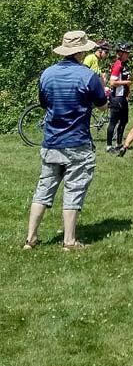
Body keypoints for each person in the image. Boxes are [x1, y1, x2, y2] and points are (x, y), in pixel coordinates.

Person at [23, 30, 108, 251]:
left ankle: (30, 239)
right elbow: (102, 105)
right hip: (78, 141)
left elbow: (44, 103)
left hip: (51, 140)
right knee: (74, 189)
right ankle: (69, 241)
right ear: (81, 51)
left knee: (43, 188)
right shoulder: (88, 76)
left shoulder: (47, 74)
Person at [106, 43, 133, 153]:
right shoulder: (118, 64)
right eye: (126, 53)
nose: (128, 55)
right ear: (121, 53)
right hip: (116, 97)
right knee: (113, 122)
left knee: (124, 121)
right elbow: (112, 82)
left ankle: (119, 143)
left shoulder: (125, 65)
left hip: (123, 97)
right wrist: (126, 82)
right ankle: (109, 146)